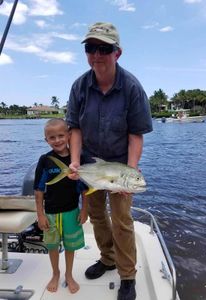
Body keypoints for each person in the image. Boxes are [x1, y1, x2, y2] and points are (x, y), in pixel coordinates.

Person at [66, 22, 153, 300]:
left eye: (104, 48)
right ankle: (107, 258)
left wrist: (130, 171)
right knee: (96, 216)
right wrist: (76, 163)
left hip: (119, 164)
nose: (97, 55)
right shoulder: (79, 86)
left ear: (118, 53)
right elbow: (74, 128)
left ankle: (127, 276)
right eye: (91, 48)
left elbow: (135, 134)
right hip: (91, 163)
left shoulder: (132, 87)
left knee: (122, 219)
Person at [34, 118, 88, 294]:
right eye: (52, 137)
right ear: (46, 140)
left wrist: (84, 209)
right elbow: (39, 189)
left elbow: (84, 189)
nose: (57, 140)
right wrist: (40, 214)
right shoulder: (45, 160)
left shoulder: (77, 160)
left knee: (70, 247)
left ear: (69, 135)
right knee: (52, 246)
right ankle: (55, 273)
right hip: (50, 212)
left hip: (71, 211)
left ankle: (69, 274)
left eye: (61, 136)